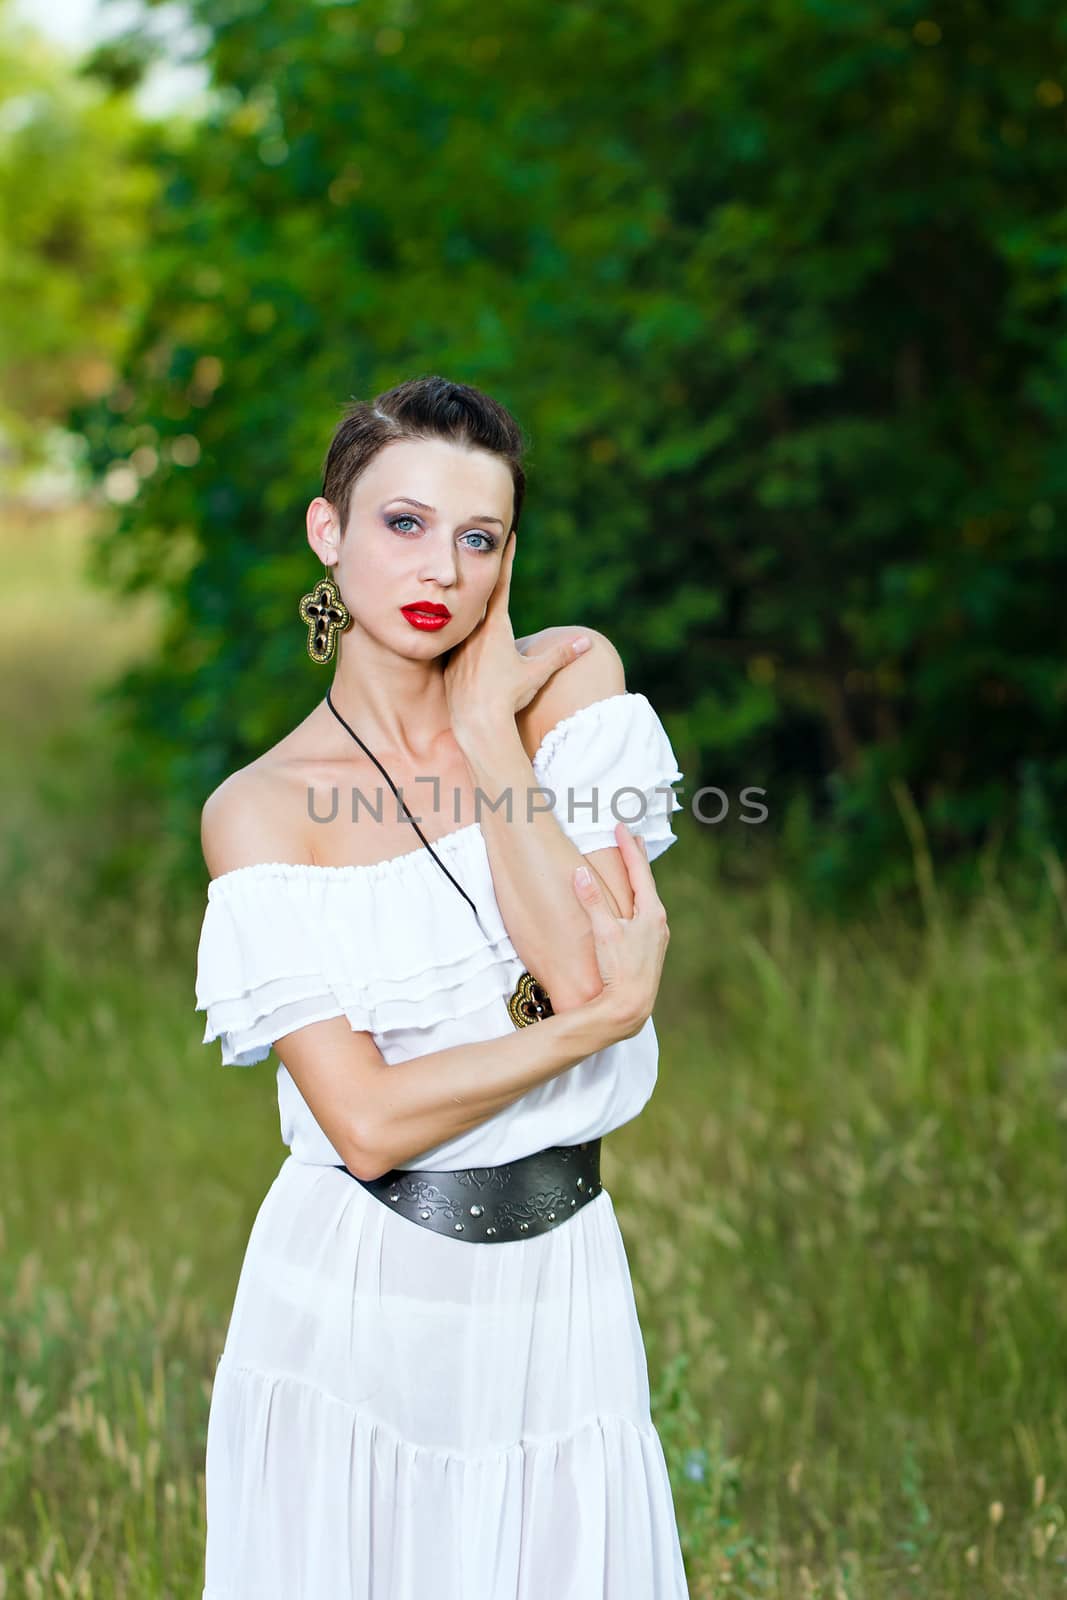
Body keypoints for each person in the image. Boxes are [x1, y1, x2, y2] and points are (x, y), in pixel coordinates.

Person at [194, 376, 690, 1598]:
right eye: (401, 524)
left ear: (509, 556)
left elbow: (572, 965)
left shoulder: (568, 686)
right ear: (330, 534)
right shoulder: (260, 812)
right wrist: (597, 1021)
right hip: (356, 1297)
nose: (441, 569)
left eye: (478, 538)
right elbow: (363, 1122)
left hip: (562, 1281)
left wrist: (485, 738)